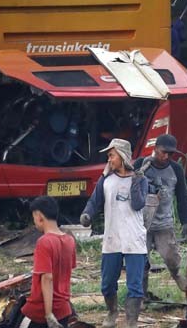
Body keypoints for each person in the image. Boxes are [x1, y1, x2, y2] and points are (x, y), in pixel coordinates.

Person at [79, 138, 148, 328]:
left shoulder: (141, 179)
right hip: (112, 238)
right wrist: (87, 214)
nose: (109, 159)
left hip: (134, 239)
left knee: (135, 286)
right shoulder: (106, 180)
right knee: (107, 284)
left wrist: (135, 181)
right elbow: (95, 201)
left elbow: (138, 204)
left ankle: (131, 322)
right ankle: (112, 312)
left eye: (112, 155)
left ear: (123, 156)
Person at [132, 133, 187, 294]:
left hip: (164, 224)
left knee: (173, 261)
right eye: (163, 152)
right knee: (141, 262)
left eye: (170, 154)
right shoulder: (141, 164)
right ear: (155, 149)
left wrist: (186, 222)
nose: (166, 156)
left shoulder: (176, 169)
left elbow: (182, 197)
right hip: (142, 225)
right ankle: (141, 297)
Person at [22, 196, 77, 328]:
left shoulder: (44, 242)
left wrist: (48, 314)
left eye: (34, 217)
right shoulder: (70, 240)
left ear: (39, 216)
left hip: (42, 310)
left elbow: (47, 277)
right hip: (64, 308)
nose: (34, 222)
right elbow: (67, 271)